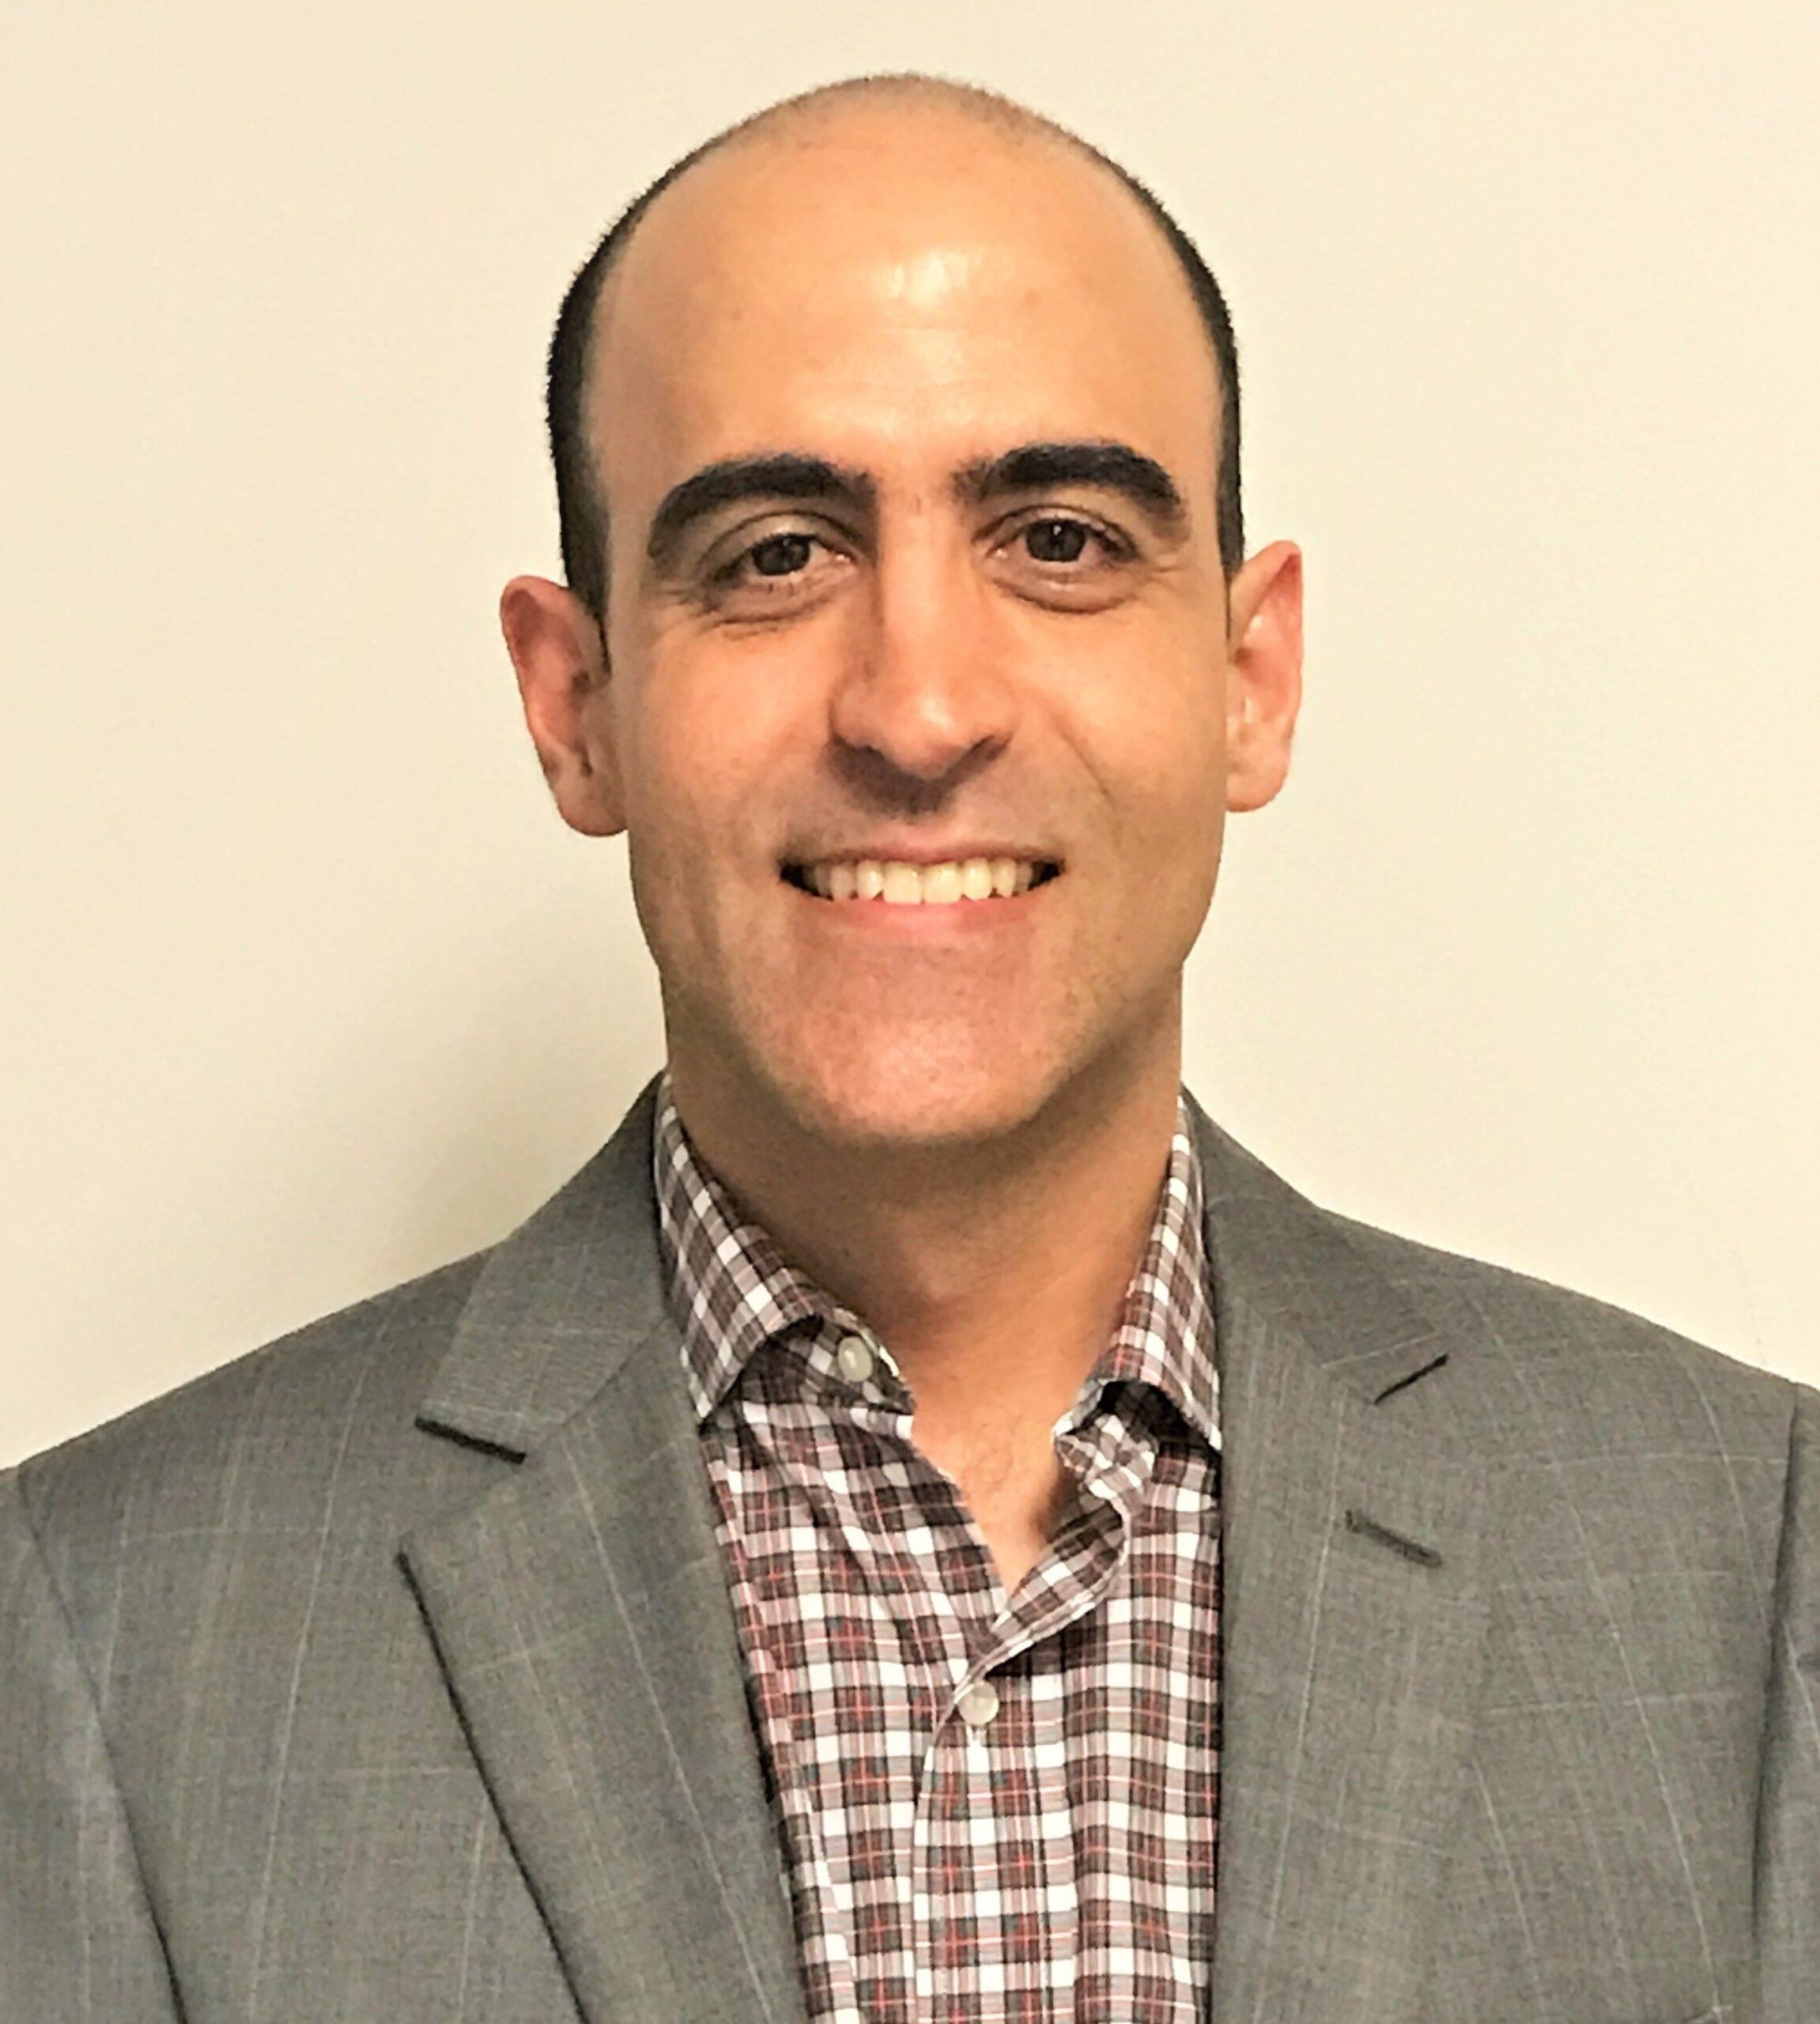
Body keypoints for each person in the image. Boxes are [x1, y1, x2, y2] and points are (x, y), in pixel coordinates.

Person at [2, 72, 1814, 2024]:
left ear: (1245, 673)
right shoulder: (100, 1632)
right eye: (775, 552)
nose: (921, 704)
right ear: (578, 701)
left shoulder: (1749, 1556)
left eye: (1055, 535)